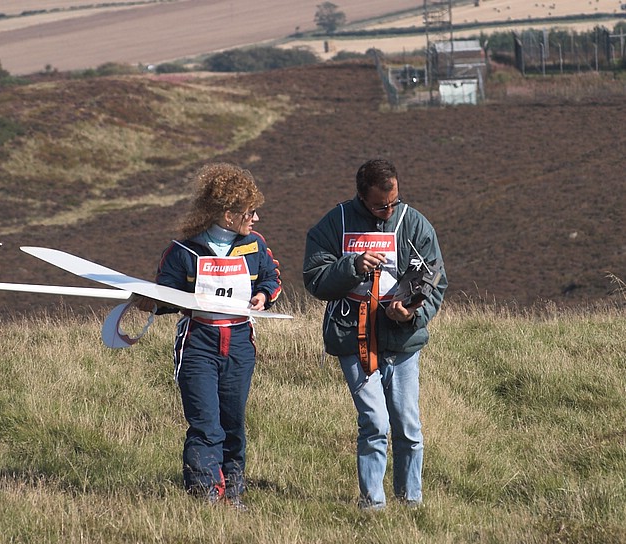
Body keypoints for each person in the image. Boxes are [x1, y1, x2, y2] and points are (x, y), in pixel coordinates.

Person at [136, 162, 282, 510]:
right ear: (227, 213)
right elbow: (166, 298)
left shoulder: (255, 245)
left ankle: (233, 491)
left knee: (233, 422)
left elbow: (271, 277)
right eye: (250, 212)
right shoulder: (182, 251)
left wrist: (264, 295)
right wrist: (149, 303)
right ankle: (204, 493)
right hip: (198, 344)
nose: (256, 218)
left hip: (240, 345)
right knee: (206, 423)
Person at [302, 158, 447, 510]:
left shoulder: (414, 223)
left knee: (408, 427)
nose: (388, 209)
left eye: (393, 201)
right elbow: (315, 279)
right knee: (374, 423)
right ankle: (373, 506)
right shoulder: (334, 224)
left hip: (402, 342)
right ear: (361, 197)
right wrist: (351, 266)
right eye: (381, 204)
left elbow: (436, 282)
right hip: (353, 337)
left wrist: (411, 315)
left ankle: (411, 503)